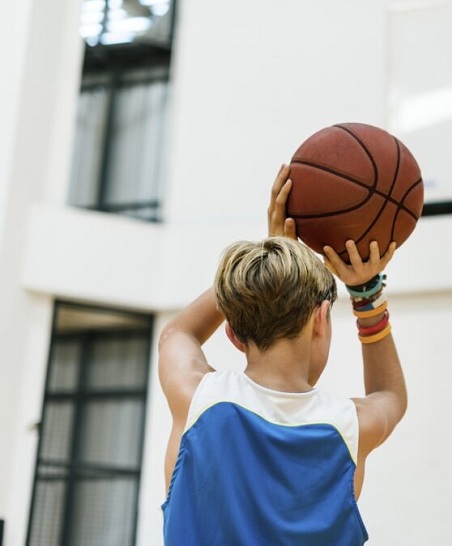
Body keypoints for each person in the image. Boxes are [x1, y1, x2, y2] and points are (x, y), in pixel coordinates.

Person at [159, 164, 407, 545]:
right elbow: (390, 395)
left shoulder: (196, 398)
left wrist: (261, 263)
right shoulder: (349, 427)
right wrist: (367, 293)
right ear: (320, 320)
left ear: (232, 332)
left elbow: (178, 332)